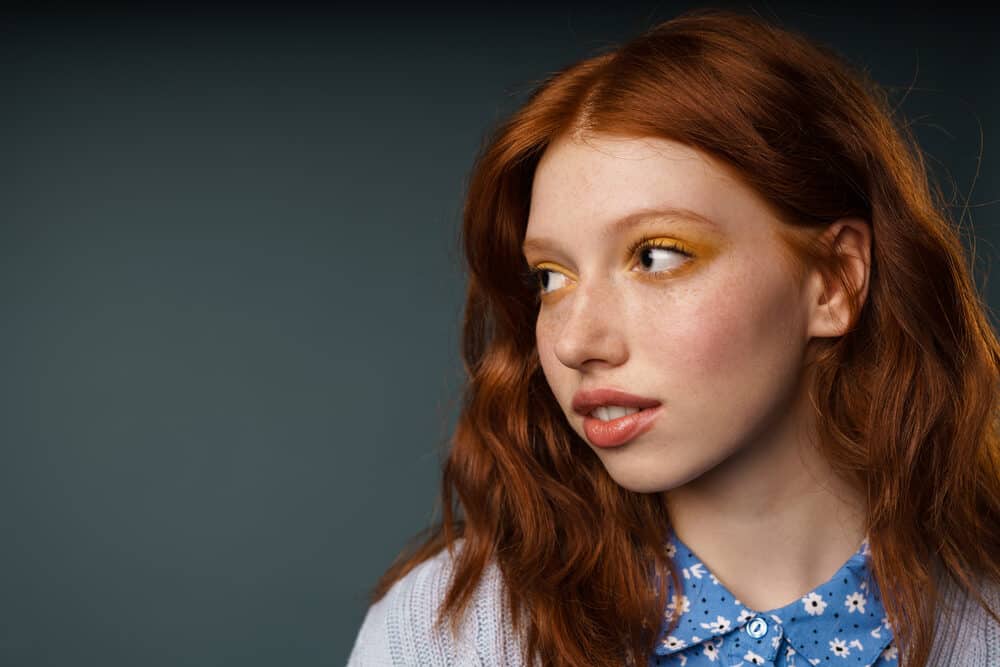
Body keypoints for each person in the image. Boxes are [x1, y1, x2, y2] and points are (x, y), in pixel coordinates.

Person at [346, 8, 1000, 667]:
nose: (576, 341)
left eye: (656, 256)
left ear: (832, 281)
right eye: (550, 276)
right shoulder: (441, 635)